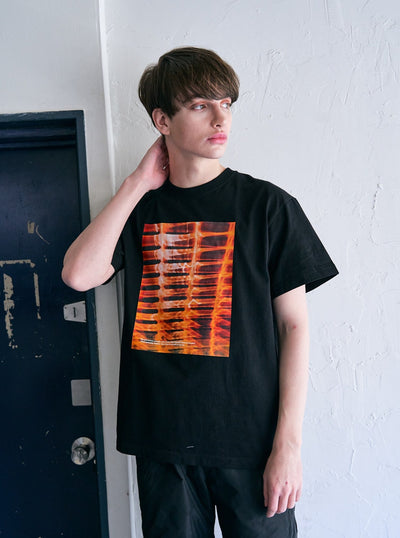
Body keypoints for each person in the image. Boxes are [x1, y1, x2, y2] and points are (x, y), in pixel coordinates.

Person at [62, 47, 338, 538]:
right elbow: (78, 275)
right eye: (199, 105)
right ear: (162, 120)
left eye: (226, 103)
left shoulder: (267, 206)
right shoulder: (139, 212)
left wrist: (288, 446)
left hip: (251, 445)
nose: (220, 118)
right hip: (162, 444)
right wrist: (137, 183)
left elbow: (294, 326)